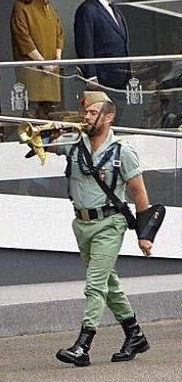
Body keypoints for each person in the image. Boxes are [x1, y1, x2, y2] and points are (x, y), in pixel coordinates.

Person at [53, 91, 156, 367]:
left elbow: (139, 193)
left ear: (108, 117)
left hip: (110, 223)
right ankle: (135, 334)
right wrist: (47, 133)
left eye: (93, 112)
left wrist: (145, 236)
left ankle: (83, 345)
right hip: (82, 225)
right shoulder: (75, 144)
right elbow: (43, 145)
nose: (86, 117)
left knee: (95, 284)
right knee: (109, 282)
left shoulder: (123, 151)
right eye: (85, 112)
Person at [10, 0, 64, 120]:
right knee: (32, 111)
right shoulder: (21, 7)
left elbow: (59, 32)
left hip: (52, 68)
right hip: (33, 69)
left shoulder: (48, 7)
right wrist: (43, 62)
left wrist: (58, 58)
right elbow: (23, 38)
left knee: (51, 113)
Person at [74, 0, 131, 90]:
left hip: (121, 76)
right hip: (102, 78)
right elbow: (85, 45)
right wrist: (91, 76)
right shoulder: (87, 9)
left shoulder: (113, 7)